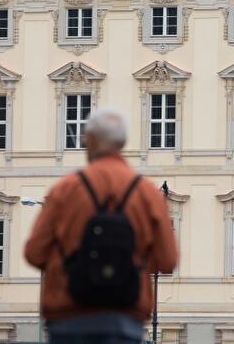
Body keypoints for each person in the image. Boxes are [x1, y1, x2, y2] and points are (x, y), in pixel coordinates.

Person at [24, 108, 178, 344]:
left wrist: (70, 262)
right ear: (123, 142)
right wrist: (132, 262)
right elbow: (167, 260)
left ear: (91, 140)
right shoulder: (148, 194)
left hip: (69, 313)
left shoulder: (65, 190)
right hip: (124, 314)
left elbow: (34, 253)